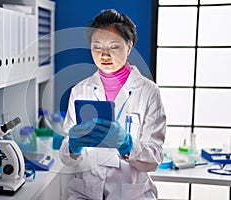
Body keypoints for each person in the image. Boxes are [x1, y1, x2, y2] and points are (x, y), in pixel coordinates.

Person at [59, 9, 166, 200]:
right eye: (97, 47)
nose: (104, 55)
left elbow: (154, 159)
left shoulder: (148, 92)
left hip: (132, 194)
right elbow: (67, 157)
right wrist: (72, 147)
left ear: (129, 45)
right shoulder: (80, 90)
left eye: (114, 46)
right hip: (85, 193)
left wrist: (127, 144)